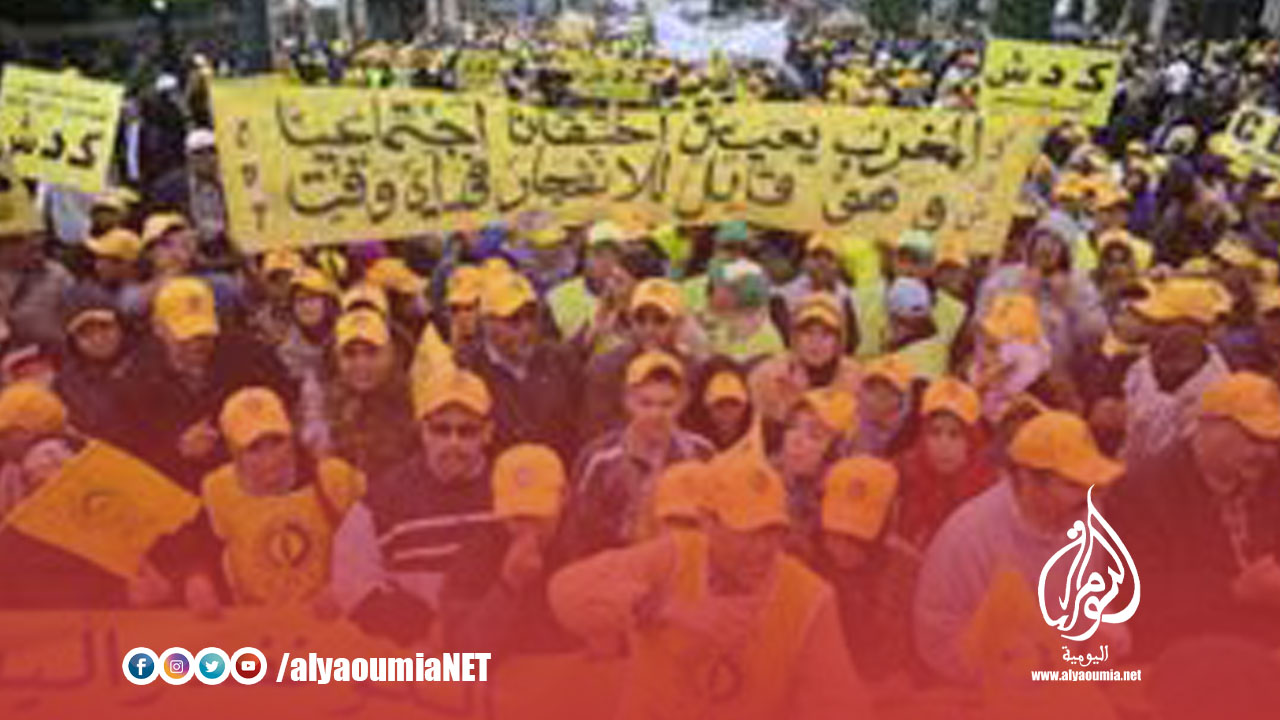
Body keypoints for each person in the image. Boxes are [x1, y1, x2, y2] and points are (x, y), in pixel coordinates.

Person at [549, 450, 874, 720]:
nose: (763, 548)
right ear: (708, 522)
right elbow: (565, 592)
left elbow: (839, 705)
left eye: (773, 530)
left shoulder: (811, 598)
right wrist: (665, 609)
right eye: (747, 532)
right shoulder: (673, 557)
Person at [913, 411, 1125, 684]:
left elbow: (1086, 594)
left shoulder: (1087, 512)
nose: (1088, 496)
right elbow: (936, 638)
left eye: (1092, 483)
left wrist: (1103, 627)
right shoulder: (968, 537)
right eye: (1073, 485)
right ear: (1027, 479)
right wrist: (1010, 666)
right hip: (983, 691)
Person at [1110, 373, 1280, 656]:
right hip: (1185, 651)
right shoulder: (1140, 492)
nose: (1267, 453)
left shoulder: (1271, 479)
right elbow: (1135, 599)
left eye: (1274, 441)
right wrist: (1234, 591)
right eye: (1254, 438)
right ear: (1207, 426)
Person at [330, 366, 496, 646]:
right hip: (415, 650)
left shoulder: (511, 492)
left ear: (488, 432)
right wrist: (414, 625)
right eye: (441, 429)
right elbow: (352, 581)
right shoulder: (384, 498)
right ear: (422, 431)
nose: (453, 443)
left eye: (467, 431)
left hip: (500, 650)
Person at [115, 276, 294, 491]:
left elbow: (288, 402)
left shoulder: (251, 356)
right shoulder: (135, 381)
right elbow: (131, 455)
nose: (197, 344)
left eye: (204, 334)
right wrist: (177, 450)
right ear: (159, 329)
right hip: (182, 488)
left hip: (255, 482)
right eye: (185, 335)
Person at [195, 387, 365, 608]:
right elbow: (199, 548)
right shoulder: (218, 489)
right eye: (254, 448)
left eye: (277, 442)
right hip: (254, 622)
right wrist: (198, 579)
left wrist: (346, 585)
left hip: (331, 619)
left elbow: (375, 545)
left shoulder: (335, 479)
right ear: (233, 453)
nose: (270, 458)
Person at [566, 350, 714, 556]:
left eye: (667, 404)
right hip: (618, 566)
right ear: (628, 401)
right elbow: (578, 532)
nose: (656, 414)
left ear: (683, 401)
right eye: (646, 403)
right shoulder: (599, 459)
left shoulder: (702, 454)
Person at [439, 443, 578, 662]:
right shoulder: (477, 555)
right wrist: (508, 586)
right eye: (517, 518)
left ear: (565, 497)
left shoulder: (586, 545)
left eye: (537, 516)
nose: (528, 529)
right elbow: (461, 657)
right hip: (507, 679)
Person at [455, 269, 581, 461]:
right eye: (513, 320)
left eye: (531, 317)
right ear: (488, 322)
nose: (526, 329)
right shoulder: (466, 370)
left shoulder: (562, 361)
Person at [814, 455, 920, 684]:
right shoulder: (805, 562)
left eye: (856, 539)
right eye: (834, 534)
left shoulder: (907, 570)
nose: (842, 548)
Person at [1123, 277, 1232, 466]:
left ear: (1198, 329)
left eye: (1165, 325)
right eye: (1150, 322)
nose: (1153, 331)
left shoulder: (1218, 393)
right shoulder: (1142, 367)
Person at [582, 277, 697, 437]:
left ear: (678, 324)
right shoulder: (604, 368)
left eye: (660, 320)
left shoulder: (693, 370)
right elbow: (597, 431)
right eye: (640, 319)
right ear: (630, 321)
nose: (649, 329)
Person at [313, 308, 418, 479]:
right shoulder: (323, 407)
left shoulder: (415, 402)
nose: (361, 363)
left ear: (391, 354)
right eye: (350, 354)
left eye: (371, 352)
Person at [895, 376, 996, 550]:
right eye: (935, 432)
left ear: (972, 441)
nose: (943, 444)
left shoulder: (990, 492)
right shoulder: (899, 475)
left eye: (955, 434)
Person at [749, 292, 861, 434]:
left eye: (826, 335)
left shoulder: (857, 380)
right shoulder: (766, 378)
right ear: (795, 337)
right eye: (808, 332)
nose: (816, 342)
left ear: (839, 341)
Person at [55, 284, 135, 441]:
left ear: (121, 324)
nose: (98, 339)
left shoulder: (152, 356)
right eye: (85, 334)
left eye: (105, 327)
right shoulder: (67, 386)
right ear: (72, 342)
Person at [687, 357, 756, 451]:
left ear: (745, 406)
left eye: (734, 404)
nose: (727, 411)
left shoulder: (760, 439)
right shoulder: (695, 445)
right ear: (708, 408)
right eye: (719, 405)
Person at [855, 354, 917, 457]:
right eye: (870, 389)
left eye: (884, 396)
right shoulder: (847, 423)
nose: (871, 400)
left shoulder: (911, 437)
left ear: (901, 401)